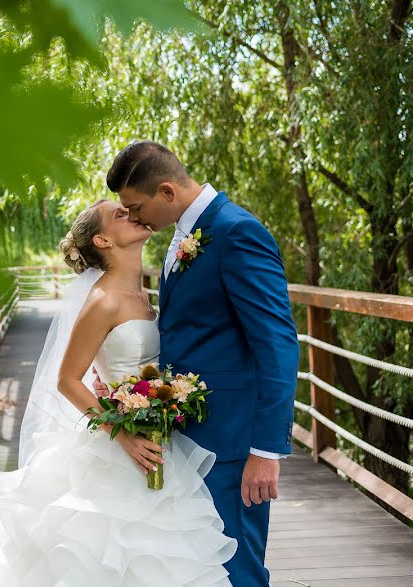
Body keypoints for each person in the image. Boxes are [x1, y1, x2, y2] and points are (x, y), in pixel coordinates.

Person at [0, 199, 237, 586]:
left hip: (159, 439)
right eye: (119, 215)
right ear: (103, 240)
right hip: (119, 447)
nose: (132, 213)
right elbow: (67, 379)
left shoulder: (146, 293)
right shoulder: (103, 299)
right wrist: (123, 434)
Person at [104, 140, 299, 586]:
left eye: (135, 207)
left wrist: (266, 451)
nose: (133, 218)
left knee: (239, 571)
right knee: (202, 567)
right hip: (188, 438)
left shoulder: (236, 232)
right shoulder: (183, 233)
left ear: (167, 192)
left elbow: (278, 344)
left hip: (232, 445)